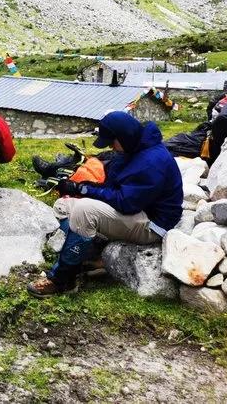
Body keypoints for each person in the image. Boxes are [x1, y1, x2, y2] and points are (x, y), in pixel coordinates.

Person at [27, 111, 183, 298]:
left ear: (124, 136)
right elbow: (113, 188)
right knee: (63, 205)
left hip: (151, 224)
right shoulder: (132, 150)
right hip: (134, 212)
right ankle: (90, 253)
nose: (110, 146)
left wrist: (84, 190)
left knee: (84, 210)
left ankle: (63, 279)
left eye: (111, 141)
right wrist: (79, 187)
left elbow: (126, 203)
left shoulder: (152, 161)